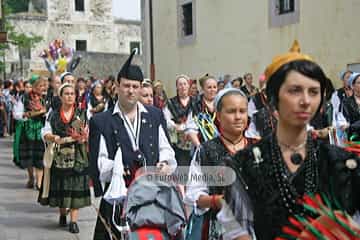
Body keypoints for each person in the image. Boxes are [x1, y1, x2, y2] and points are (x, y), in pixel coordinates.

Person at [225, 41, 360, 239]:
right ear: (273, 97)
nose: (305, 100)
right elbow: (237, 231)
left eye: (313, 92)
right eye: (295, 90)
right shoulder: (243, 165)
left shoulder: (341, 163)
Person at [89, 50, 177, 240]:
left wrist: (165, 164)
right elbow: (101, 165)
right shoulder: (101, 121)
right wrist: (121, 167)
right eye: (126, 85)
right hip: (118, 200)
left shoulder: (154, 115)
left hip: (153, 197)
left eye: (135, 86)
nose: (131, 90)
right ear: (117, 87)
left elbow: (166, 150)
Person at [185, 88, 256, 240]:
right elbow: (194, 194)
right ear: (218, 116)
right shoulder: (207, 151)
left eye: (242, 111)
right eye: (231, 111)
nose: (238, 117)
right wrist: (216, 201)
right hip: (220, 228)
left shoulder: (258, 148)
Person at [40, 83, 90, 234]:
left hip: (78, 155)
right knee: (62, 187)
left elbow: (88, 132)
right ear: (61, 97)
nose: (70, 96)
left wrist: (83, 137)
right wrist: (54, 137)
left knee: (76, 188)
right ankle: (63, 214)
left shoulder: (82, 113)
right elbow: (45, 132)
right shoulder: (53, 115)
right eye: (66, 94)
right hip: (59, 154)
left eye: (72, 94)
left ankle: (73, 221)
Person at [19, 75, 47, 190]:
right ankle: (31, 178)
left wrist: (43, 112)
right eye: (41, 85)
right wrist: (40, 111)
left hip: (41, 128)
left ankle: (39, 182)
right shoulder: (26, 97)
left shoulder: (45, 98)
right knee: (29, 155)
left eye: (44, 85)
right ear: (34, 86)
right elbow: (25, 114)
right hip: (28, 129)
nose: (43, 88)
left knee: (40, 155)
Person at [163, 74, 194, 166]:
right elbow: (165, 119)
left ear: (188, 86)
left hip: (193, 140)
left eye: (185, 84)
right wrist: (176, 126)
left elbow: (198, 118)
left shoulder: (196, 102)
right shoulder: (170, 103)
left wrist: (187, 129)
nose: (183, 86)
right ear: (177, 87)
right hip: (176, 141)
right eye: (180, 84)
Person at [185, 74, 218, 147]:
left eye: (215, 87)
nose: (212, 90)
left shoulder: (222, 103)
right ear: (203, 89)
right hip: (202, 144)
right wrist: (199, 147)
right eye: (209, 87)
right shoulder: (196, 105)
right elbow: (191, 129)